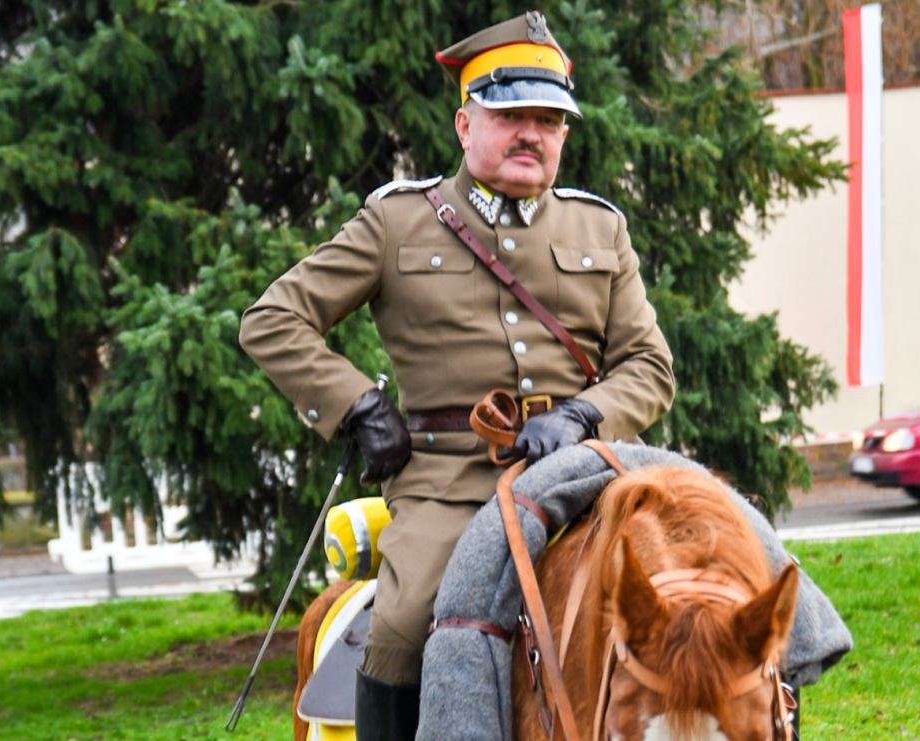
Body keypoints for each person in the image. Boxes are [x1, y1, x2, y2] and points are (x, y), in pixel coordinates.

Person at [239, 11, 674, 741]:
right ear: (465, 125)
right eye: (511, 115)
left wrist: (580, 417)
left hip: (584, 469)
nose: (531, 133)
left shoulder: (600, 230)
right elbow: (272, 318)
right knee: (405, 625)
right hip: (449, 480)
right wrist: (356, 405)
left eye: (549, 118)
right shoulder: (397, 223)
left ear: (565, 133)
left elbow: (649, 366)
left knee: (708, 588)